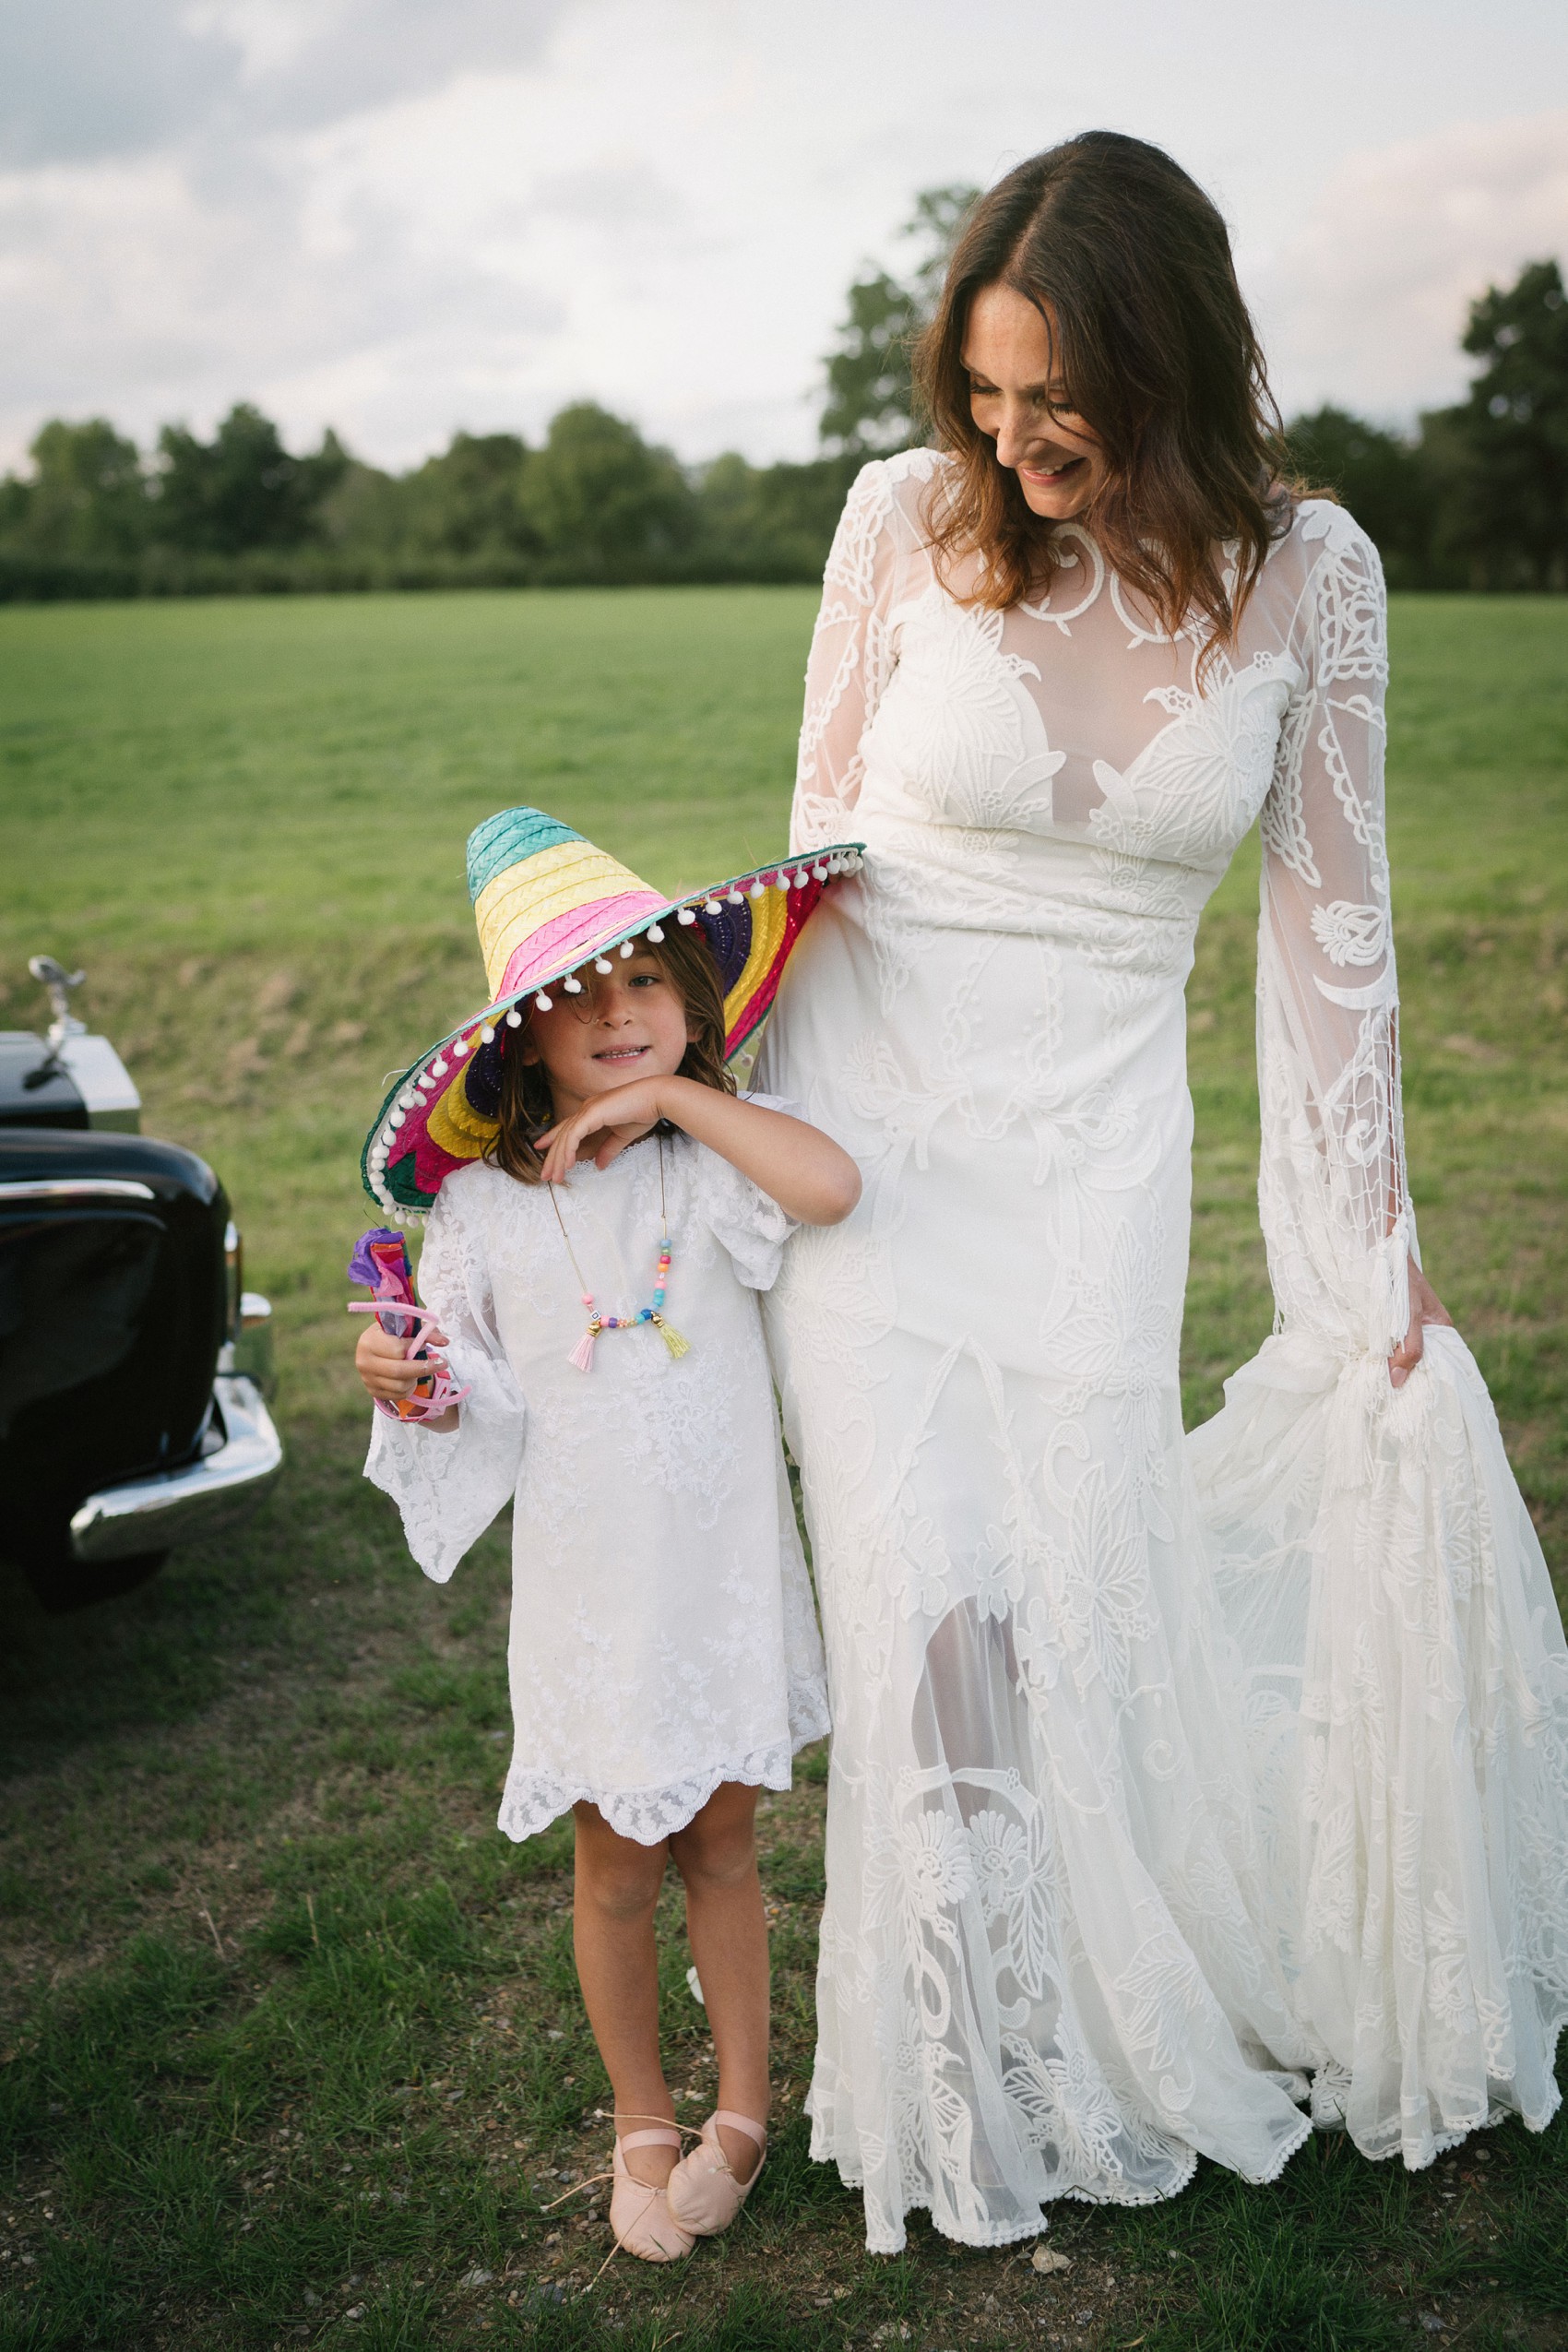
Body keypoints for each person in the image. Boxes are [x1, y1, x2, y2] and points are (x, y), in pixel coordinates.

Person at [756, 131, 1568, 2252]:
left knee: (1069, 1597)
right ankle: (969, 2077)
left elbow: (1332, 952)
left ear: (1173, 364)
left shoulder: (1314, 574)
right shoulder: (890, 524)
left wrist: (1368, 1255)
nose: (1011, 439)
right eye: (985, 392)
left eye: (1059, 400)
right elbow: (804, 870)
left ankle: (1103, 2008)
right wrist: (696, 1168)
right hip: (872, 1157)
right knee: (930, 1602)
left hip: (1099, 1165)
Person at [352, 806, 861, 2263]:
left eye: (645, 982)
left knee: (724, 1842)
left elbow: (831, 1186)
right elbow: (459, 1390)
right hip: (591, 1587)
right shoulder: (480, 1214)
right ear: (522, 1050)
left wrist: (687, 1106)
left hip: (716, 1573)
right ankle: (644, 2113)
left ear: (690, 1004)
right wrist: (407, 1379)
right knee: (615, 1863)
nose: (618, 1014)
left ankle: (747, 2112)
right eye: (576, 1002)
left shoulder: (712, 1163)